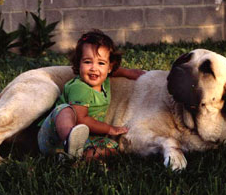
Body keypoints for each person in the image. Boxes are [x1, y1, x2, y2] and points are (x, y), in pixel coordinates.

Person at [37, 29, 145, 161]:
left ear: (110, 67)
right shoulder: (80, 87)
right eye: (88, 62)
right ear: (78, 64)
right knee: (64, 110)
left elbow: (112, 71)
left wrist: (128, 73)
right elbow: (81, 119)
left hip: (84, 138)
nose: (94, 68)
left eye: (101, 63)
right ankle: (69, 142)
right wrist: (109, 129)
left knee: (113, 147)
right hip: (53, 136)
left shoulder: (104, 81)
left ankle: (77, 157)